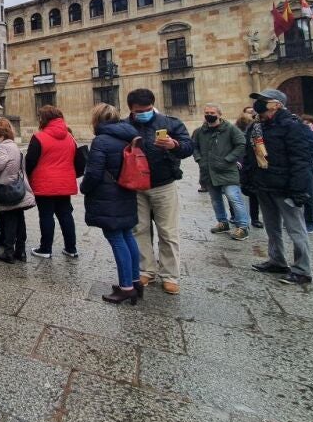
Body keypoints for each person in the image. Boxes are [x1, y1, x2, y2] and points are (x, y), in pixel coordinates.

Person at [125, 88, 194, 295]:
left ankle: (170, 276)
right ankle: (146, 270)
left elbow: (188, 147)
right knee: (139, 230)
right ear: (131, 109)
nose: (144, 113)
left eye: (147, 109)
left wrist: (174, 145)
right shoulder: (125, 126)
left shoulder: (170, 123)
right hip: (137, 187)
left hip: (164, 184)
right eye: (139, 111)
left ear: (153, 106)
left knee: (168, 231)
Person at [242, 89, 313, 285]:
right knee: (272, 227)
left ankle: (302, 270)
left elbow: (301, 160)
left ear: (277, 104)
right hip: (263, 184)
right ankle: (277, 261)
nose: (258, 104)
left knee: (295, 229)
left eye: (263, 101)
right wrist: (247, 180)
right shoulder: (256, 127)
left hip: (285, 186)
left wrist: (299, 190)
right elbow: (249, 155)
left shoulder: (292, 126)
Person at [81, 104, 142, 305]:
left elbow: (94, 173)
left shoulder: (101, 140)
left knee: (116, 239)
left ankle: (126, 288)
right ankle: (135, 282)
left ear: (97, 119)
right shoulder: (130, 136)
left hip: (109, 196)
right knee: (127, 235)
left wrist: (84, 188)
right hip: (127, 191)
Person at [24, 105, 78, 259]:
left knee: (46, 215)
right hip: (65, 183)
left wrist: (27, 177)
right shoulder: (70, 137)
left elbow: (30, 161)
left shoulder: (39, 137)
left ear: (44, 119)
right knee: (66, 215)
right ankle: (71, 248)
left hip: (44, 184)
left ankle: (45, 248)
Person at [192, 104, 250, 241]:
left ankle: (243, 226)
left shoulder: (230, 129)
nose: (209, 115)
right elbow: (194, 146)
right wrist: (199, 159)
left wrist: (229, 158)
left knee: (233, 197)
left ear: (219, 114)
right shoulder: (199, 131)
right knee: (215, 199)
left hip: (227, 170)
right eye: (207, 112)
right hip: (208, 170)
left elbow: (241, 144)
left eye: (212, 112)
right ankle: (222, 222)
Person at [0, 117, 35, 264]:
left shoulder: (3, 148)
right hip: (17, 189)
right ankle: (21, 252)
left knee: (9, 220)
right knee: (20, 219)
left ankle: (8, 252)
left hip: (7, 190)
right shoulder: (15, 146)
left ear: (0, 135)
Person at [236, 113, 263, 229]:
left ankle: (254, 218)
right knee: (253, 195)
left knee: (253, 196)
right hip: (250, 166)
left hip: (255, 165)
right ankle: (254, 219)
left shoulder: (258, 131)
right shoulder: (245, 133)